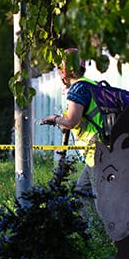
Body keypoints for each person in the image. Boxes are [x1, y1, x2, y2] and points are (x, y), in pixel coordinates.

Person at [39, 49, 100, 197]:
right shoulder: (92, 84)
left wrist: (54, 119)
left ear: (65, 71)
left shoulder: (78, 89)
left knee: (99, 198)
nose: (59, 73)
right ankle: (90, 221)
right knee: (82, 190)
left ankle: (102, 220)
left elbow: (72, 121)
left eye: (60, 69)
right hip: (102, 149)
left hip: (96, 152)